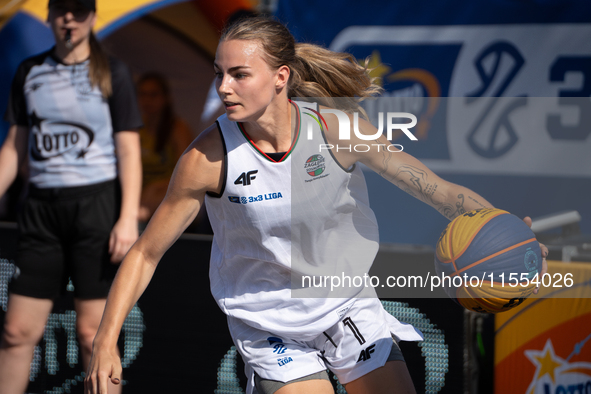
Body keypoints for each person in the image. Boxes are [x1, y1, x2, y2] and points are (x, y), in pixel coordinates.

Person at [84, 16, 548, 394]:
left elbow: (439, 191)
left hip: (345, 305)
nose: (224, 87)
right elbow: (144, 253)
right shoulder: (206, 159)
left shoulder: (336, 130)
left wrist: (507, 233)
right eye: (219, 73)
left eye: (239, 74)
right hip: (268, 322)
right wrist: (105, 341)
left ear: (281, 77)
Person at [0, 0, 142, 392]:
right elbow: (14, 148)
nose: (69, 19)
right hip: (41, 211)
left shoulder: (113, 72)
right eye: (62, 10)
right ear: (48, 16)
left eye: (79, 11)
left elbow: (129, 149)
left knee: (93, 333)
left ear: (92, 17)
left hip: (96, 208)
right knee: (15, 331)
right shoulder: (30, 71)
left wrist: (127, 217)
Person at [136, 73, 193, 223]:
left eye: (153, 95)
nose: (147, 100)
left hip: (168, 192)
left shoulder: (177, 129)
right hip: (137, 192)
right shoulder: (135, 127)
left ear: (166, 98)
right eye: (143, 94)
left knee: (150, 196)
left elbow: (186, 173)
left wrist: (157, 187)